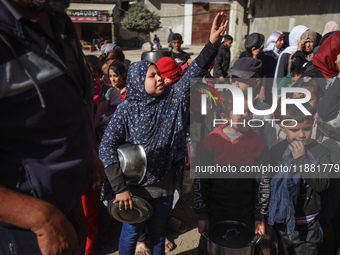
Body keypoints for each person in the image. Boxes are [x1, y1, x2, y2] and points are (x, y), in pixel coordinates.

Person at [99, 12, 228, 255]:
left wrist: (212, 43)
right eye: (152, 75)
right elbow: (106, 147)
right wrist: (120, 189)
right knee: (131, 233)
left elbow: (195, 70)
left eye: (159, 74)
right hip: (133, 188)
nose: (159, 78)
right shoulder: (127, 109)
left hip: (164, 186)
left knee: (158, 233)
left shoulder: (173, 98)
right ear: (138, 81)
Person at [0, 0, 105, 254]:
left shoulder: (58, 19)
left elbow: (71, 102)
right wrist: (40, 218)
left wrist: (87, 152)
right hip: (23, 231)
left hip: (68, 211)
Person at [193, 89, 270, 255]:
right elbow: (201, 180)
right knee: (209, 249)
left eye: (250, 111)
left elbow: (263, 181)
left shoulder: (258, 144)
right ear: (224, 117)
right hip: (215, 210)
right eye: (242, 113)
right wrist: (202, 213)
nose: (248, 116)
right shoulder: (211, 142)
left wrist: (259, 215)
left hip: (246, 212)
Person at [268, 102, 330, 255]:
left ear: (313, 124)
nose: (301, 134)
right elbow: (266, 183)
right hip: (281, 223)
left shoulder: (321, 152)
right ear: (283, 128)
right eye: (294, 130)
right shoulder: (276, 152)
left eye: (306, 128)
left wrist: (302, 159)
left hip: (308, 226)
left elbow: (321, 184)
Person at [229, 57, 277, 148]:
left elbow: (270, 143)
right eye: (234, 80)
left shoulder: (264, 110)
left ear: (256, 82)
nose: (236, 85)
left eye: (242, 80)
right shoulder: (225, 106)